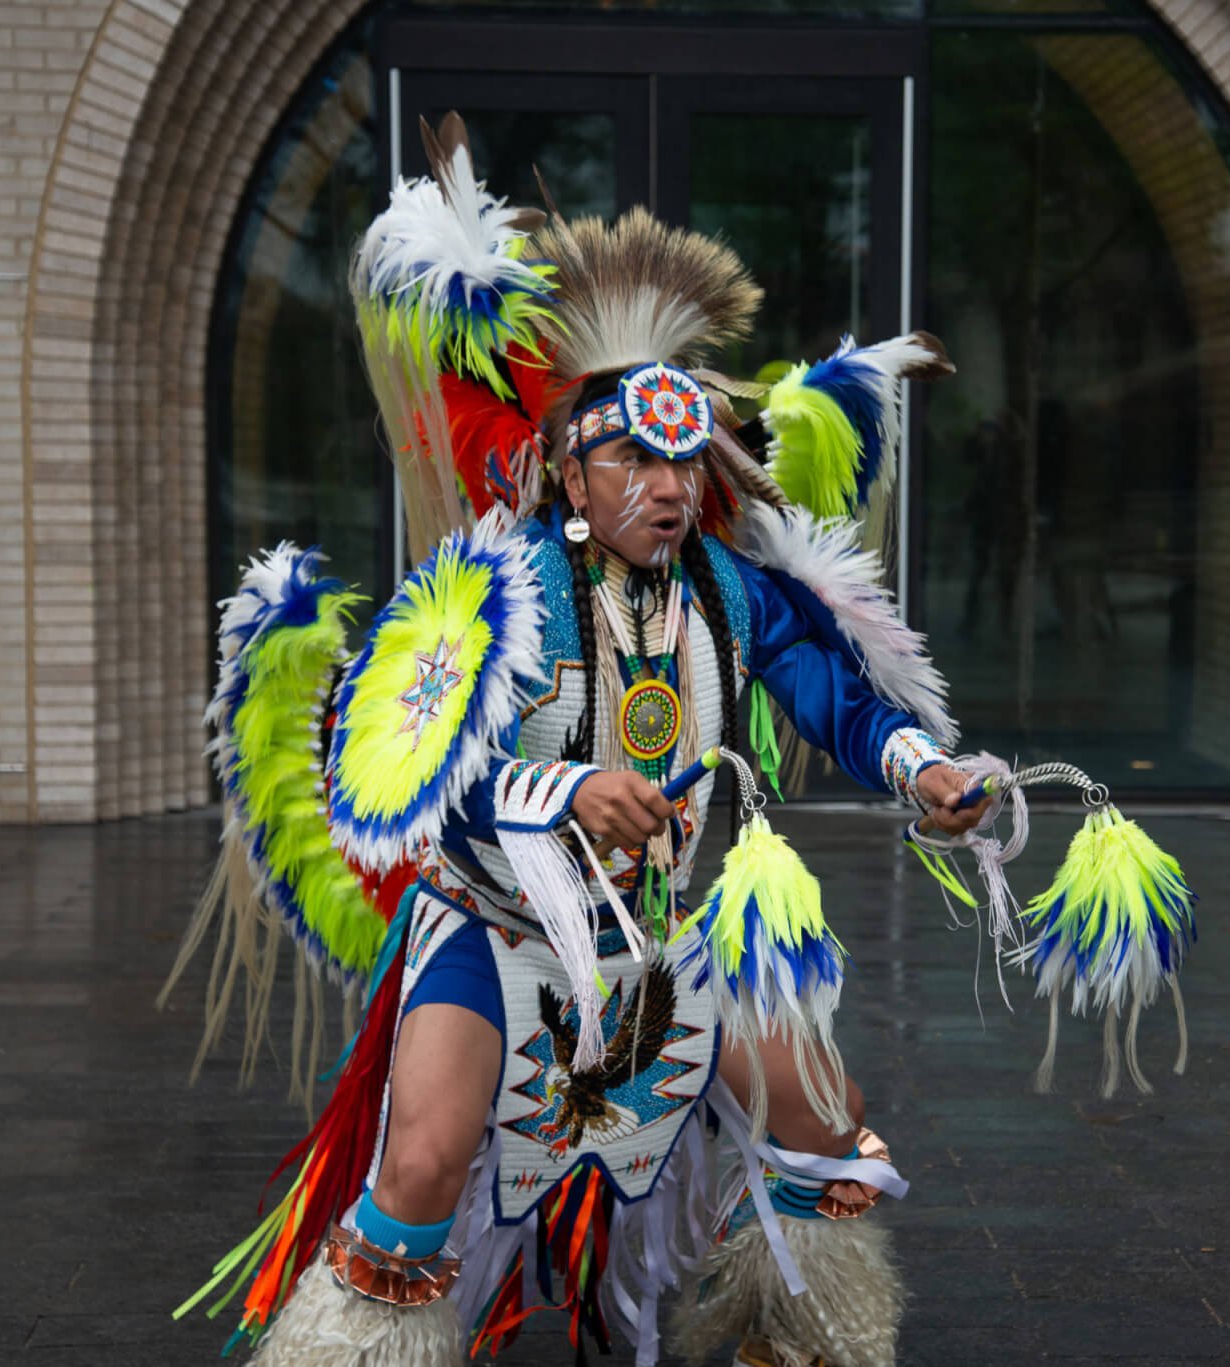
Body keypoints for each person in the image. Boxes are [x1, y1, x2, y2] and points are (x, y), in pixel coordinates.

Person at [174, 115, 986, 1367]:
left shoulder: (727, 586)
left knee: (827, 1118)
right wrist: (555, 788)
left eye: (682, 459)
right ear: (564, 460)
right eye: (632, 459)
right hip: (496, 934)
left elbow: (833, 689)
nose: (665, 486)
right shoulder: (477, 593)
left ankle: (797, 1335)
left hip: (665, 935)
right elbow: (388, 777)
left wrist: (918, 767)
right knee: (426, 1156)